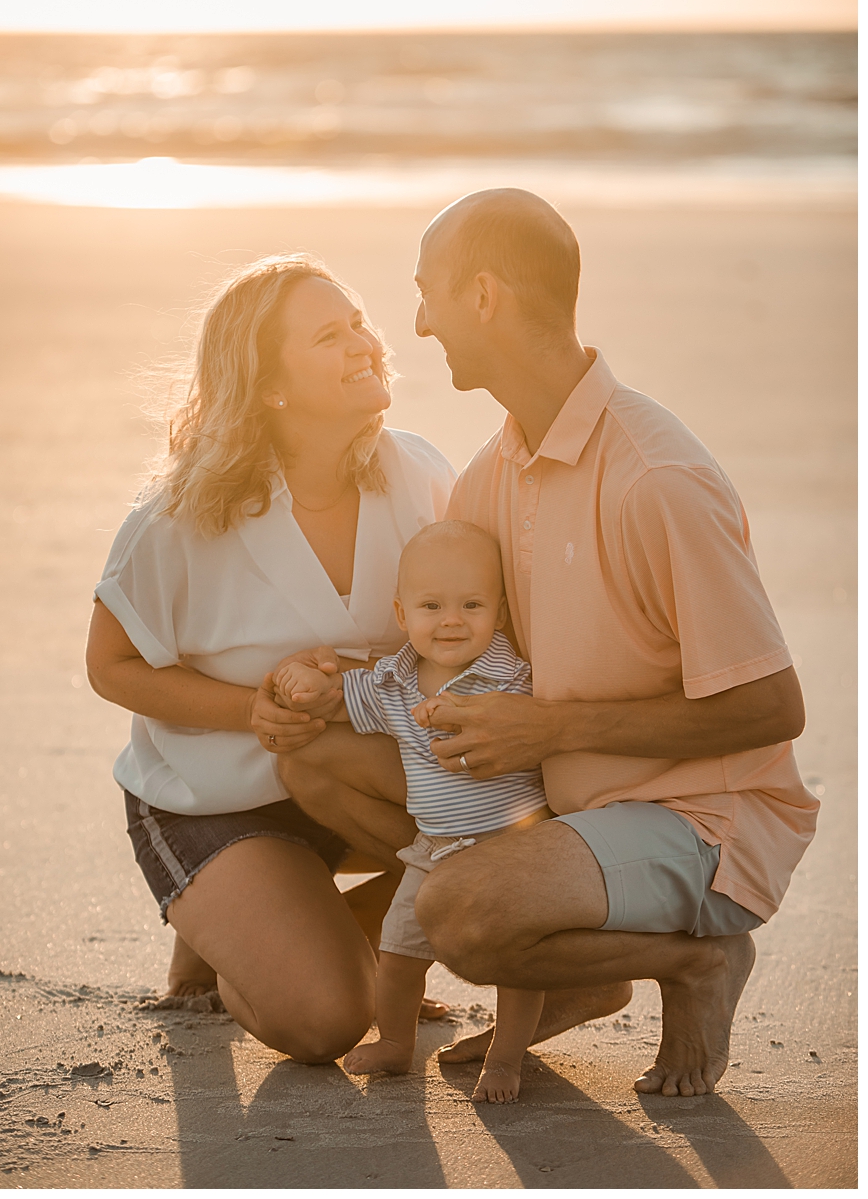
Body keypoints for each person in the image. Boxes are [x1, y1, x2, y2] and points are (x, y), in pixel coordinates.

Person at [292, 187, 816, 1097]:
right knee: (319, 762)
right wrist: (317, 682)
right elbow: (454, 654)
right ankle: (576, 967)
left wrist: (545, 730)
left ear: (485, 297)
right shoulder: (487, 480)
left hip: (699, 823)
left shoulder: (657, 479)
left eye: (429, 294)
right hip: (562, 808)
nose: (418, 325)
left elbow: (771, 710)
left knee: (457, 914)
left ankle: (697, 963)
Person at [84, 252, 458, 1062]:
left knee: (520, 822)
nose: (365, 343)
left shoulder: (419, 476)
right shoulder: (179, 517)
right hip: (215, 798)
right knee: (325, 1021)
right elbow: (111, 665)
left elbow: (478, 638)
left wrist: (360, 686)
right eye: (331, 334)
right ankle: (237, 930)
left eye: (359, 321)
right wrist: (247, 708)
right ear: (270, 387)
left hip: (355, 776)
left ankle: (315, 931)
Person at [274, 521, 549, 1100]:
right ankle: (397, 1043)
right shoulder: (394, 680)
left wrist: (455, 715)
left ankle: (505, 1060)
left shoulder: (514, 678)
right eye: (432, 606)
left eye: (471, 605)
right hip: (430, 850)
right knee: (397, 953)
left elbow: (531, 731)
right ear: (402, 614)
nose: (451, 620)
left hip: (510, 850)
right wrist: (299, 678)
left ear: (499, 612)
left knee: (514, 966)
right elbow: (337, 699)